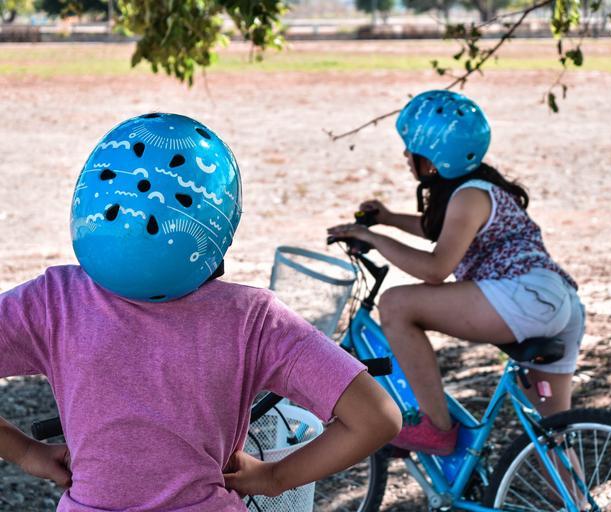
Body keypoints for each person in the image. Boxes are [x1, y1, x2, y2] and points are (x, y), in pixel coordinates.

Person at [0, 113, 401, 510]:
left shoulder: (54, 301)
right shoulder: (253, 320)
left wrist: (26, 453)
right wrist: (274, 478)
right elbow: (378, 417)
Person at [328, 91, 585, 456]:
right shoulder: (476, 190)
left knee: (396, 304)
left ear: (435, 158)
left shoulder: (468, 197)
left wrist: (373, 238)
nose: (406, 156)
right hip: (556, 301)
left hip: (524, 297)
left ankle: (436, 427)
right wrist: (388, 218)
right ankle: (571, 490)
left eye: (412, 149)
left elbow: (436, 269)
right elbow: (444, 232)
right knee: (553, 436)